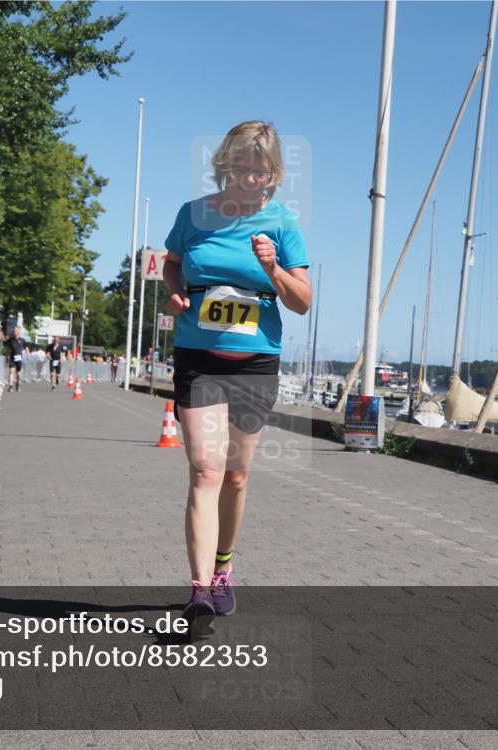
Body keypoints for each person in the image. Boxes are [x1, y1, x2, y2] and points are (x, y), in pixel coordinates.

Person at [162, 121, 311, 635]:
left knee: (236, 475)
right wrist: (177, 291)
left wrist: (273, 270)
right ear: (225, 166)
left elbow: (303, 302)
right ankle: (201, 590)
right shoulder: (193, 214)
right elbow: (173, 265)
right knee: (205, 469)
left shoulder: (283, 224)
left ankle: (224, 567)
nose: (252, 180)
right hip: (198, 354)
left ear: (274, 174)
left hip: (255, 362)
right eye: (243, 169)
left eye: (262, 172)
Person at [5, 326, 26, 392]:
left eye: (15, 331)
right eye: (13, 331)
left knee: (18, 373)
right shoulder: (10, 340)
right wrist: (7, 356)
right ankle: (10, 386)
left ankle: (18, 384)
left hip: (19, 358)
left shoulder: (22, 340)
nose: (14, 332)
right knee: (11, 372)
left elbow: (26, 347)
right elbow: (8, 349)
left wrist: (28, 354)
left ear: (18, 332)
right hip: (12, 358)